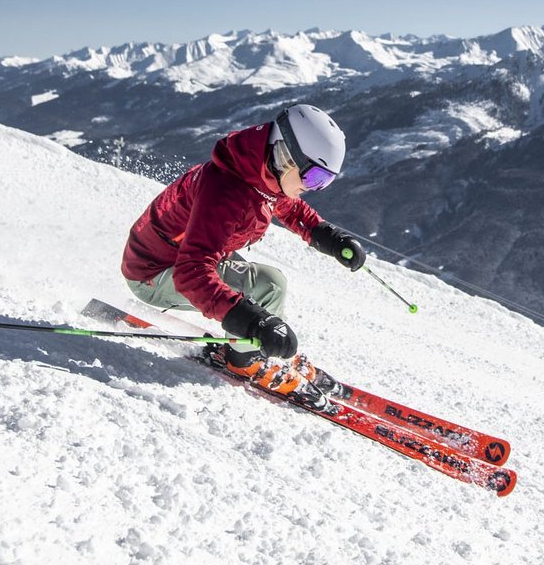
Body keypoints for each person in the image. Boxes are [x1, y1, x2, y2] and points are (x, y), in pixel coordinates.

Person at [118, 104, 366, 406]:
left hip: (179, 256)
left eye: (324, 181)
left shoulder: (259, 171)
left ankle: (264, 345)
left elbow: (286, 206)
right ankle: (247, 359)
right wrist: (250, 321)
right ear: (287, 155)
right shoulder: (224, 193)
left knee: (263, 291)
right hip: (153, 273)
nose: (313, 188)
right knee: (268, 285)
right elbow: (190, 271)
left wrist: (326, 235)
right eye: (314, 177)